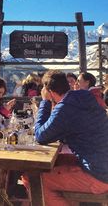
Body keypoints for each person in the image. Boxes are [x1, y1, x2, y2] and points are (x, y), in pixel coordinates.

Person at [34, 70, 108, 206]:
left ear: (49, 91)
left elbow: (40, 136)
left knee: (35, 180)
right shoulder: (84, 96)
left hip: (99, 176)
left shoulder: (65, 107)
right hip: (101, 164)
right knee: (55, 163)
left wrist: (45, 101)